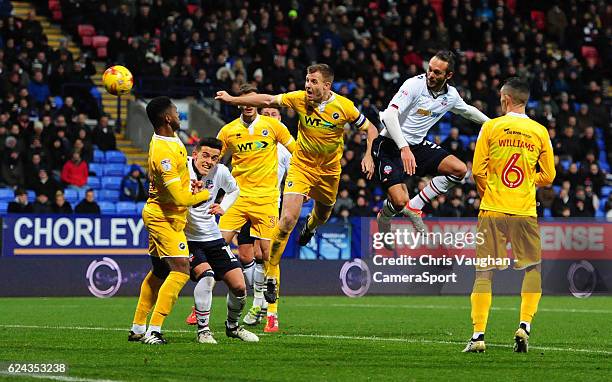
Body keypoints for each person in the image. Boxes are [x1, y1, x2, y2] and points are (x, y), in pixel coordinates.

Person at [215, 64, 377, 332]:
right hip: (302, 168)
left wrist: (368, 153)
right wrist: (233, 99)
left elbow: (370, 129)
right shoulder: (299, 99)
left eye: (313, 81)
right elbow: (266, 99)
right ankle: (271, 275)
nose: (308, 85)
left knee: (323, 215)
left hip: (329, 172)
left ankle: (310, 227)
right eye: (306, 80)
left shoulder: (345, 107)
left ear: (327, 85)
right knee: (287, 218)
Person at [463, 77, 555, 353]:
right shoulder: (539, 131)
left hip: (492, 209)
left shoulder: (491, 127)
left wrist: (488, 193)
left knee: (484, 273)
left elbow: (478, 170)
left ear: (505, 99)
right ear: (524, 100)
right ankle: (524, 325)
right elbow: (549, 176)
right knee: (532, 269)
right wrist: (529, 180)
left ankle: (479, 336)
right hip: (524, 211)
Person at [373, 51, 490, 246]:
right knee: (399, 201)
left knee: (459, 170)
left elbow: (468, 111)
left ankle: (416, 205)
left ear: (448, 76)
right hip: (390, 146)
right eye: (429, 70)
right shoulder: (414, 85)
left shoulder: (451, 96)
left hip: (416, 147)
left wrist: (495, 126)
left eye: (437, 72)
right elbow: (388, 117)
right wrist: (404, 148)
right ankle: (383, 219)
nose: (431, 75)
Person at [128, 96, 212, 345]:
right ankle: (154, 331)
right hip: (164, 217)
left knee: (160, 270)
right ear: (167, 118)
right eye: (176, 112)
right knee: (181, 271)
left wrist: (190, 183)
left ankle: (137, 327)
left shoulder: (169, 139)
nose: (179, 115)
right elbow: (181, 197)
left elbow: (178, 184)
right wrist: (205, 192)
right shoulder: (163, 152)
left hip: (166, 213)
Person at [215, 84, 298, 333]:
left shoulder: (273, 127)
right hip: (238, 198)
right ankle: (203, 307)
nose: (249, 104)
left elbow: (297, 155)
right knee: (214, 246)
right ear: (238, 103)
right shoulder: (228, 131)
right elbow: (212, 161)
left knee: (269, 255)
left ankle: (270, 312)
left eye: (253, 100)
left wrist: (300, 186)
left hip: (266, 199)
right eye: (244, 100)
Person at [184, 137, 258, 344]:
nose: (209, 161)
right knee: (207, 276)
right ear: (195, 154)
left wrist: (223, 206)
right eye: (205, 155)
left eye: (214, 158)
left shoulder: (222, 172)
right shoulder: (182, 169)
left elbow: (234, 189)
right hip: (187, 237)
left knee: (239, 287)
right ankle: (203, 331)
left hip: (213, 236)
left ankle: (232, 327)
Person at [242, 106, 292, 329]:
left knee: (270, 256)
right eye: (267, 115)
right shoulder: (255, 142)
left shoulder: (286, 149)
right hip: (247, 203)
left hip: (272, 205)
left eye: (275, 115)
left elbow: (296, 174)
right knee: (253, 256)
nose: (271, 118)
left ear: (280, 119)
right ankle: (258, 303)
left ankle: (271, 312)